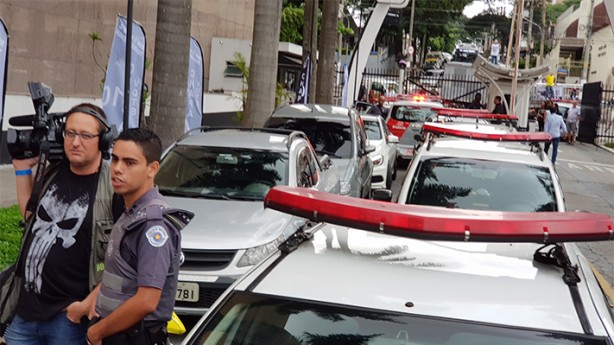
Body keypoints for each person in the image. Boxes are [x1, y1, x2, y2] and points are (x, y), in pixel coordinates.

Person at [5, 104, 120, 345]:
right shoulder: (51, 172)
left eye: (85, 135)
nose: (75, 142)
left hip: (69, 321)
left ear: (103, 140)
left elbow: (127, 258)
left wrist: (87, 304)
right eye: (70, 133)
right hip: (26, 313)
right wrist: (22, 170)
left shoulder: (112, 188)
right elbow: (31, 217)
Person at [86, 128, 193, 345]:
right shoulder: (132, 213)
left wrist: (96, 333)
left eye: (129, 162)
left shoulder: (154, 224)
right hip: (117, 332)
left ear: (152, 169)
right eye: (114, 159)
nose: (117, 169)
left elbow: (147, 301)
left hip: (134, 337)